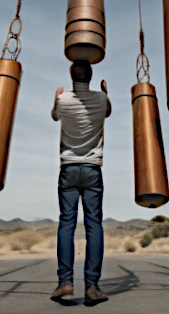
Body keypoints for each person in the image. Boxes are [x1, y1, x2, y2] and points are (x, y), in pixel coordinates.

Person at [50, 59, 112, 306]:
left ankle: (65, 281)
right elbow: (107, 111)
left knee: (66, 223)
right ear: (92, 75)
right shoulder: (100, 100)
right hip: (92, 169)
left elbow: (54, 116)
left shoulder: (63, 101)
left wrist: (56, 97)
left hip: (68, 168)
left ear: (71, 74)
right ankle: (92, 287)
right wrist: (106, 92)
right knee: (93, 224)